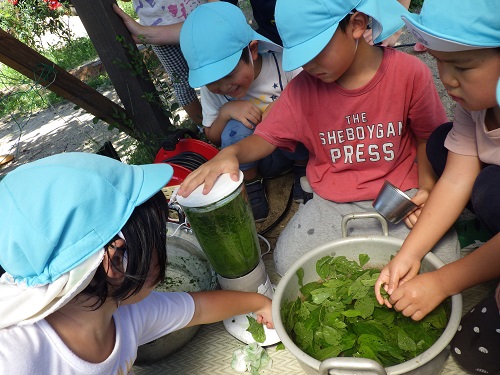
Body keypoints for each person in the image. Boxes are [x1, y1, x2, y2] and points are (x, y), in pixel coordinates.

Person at [178, 0, 460, 276]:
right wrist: (232, 153)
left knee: (444, 259)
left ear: (356, 25)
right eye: (300, 56)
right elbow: (266, 137)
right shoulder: (302, 89)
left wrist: (427, 189)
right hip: (333, 202)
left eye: (316, 51)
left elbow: (427, 138)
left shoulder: (409, 73)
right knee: (289, 263)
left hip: (399, 194)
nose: (309, 65)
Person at [0, 152, 273, 374]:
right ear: (117, 261)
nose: (163, 243)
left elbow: (198, 308)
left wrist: (261, 304)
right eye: (158, 236)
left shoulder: (122, 312)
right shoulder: (17, 355)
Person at [371, 0, 500, 373]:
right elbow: (458, 176)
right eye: (440, 61)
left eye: (462, 66)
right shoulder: (475, 107)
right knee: (442, 142)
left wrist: (443, 282)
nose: (447, 78)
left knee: (490, 189)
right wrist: (408, 255)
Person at [179, 2, 308, 222]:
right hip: (252, 158)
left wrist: (282, 106)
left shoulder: (281, 62)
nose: (224, 86)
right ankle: (250, 182)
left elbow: (310, 96)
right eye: (212, 81)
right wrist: (226, 112)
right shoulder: (214, 91)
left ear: (253, 51)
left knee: (299, 112)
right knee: (235, 128)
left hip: (293, 149)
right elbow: (212, 134)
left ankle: (303, 170)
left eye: (229, 74)